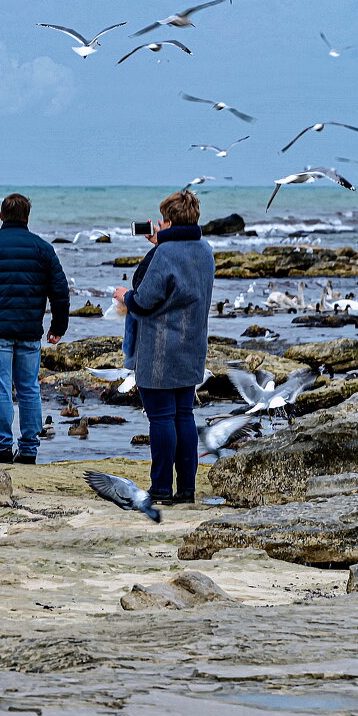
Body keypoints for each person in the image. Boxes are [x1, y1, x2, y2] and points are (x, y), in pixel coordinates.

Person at [113, 189, 214, 505]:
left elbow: (143, 299)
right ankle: (186, 489)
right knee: (184, 415)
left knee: (160, 418)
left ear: (167, 221)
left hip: (159, 349)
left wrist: (123, 296)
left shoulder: (165, 254)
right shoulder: (205, 249)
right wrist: (161, 245)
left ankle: (160, 489)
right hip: (193, 344)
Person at [0, 193, 70, 465]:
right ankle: (29, 449)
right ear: (27, 217)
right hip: (29, 330)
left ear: (1, 215)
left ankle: (2, 447)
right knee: (29, 388)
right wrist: (58, 326)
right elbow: (60, 291)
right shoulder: (43, 249)